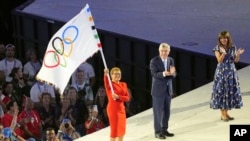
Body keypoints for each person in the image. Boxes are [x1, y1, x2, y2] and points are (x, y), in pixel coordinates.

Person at [210, 31, 244, 121]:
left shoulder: (233, 47)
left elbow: (235, 61)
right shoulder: (217, 48)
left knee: (229, 92)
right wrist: (224, 53)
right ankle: (222, 114)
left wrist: (238, 55)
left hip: (231, 72)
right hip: (222, 72)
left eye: (225, 38)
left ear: (228, 39)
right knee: (222, 92)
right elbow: (219, 61)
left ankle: (226, 113)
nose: (223, 40)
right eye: (221, 38)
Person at [149, 43, 176, 139]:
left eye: (166, 51)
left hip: (168, 90)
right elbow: (154, 74)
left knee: (167, 111)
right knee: (158, 112)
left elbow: (174, 74)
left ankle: (164, 129)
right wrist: (164, 73)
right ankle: (157, 131)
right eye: (162, 51)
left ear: (169, 51)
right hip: (158, 91)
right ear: (159, 51)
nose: (164, 53)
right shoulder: (154, 61)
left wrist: (173, 74)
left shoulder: (171, 60)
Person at [103, 67, 130, 141]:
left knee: (121, 131)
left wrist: (118, 96)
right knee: (114, 131)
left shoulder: (124, 84)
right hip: (113, 110)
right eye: (115, 74)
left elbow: (127, 98)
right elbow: (106, 81)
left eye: (119, 74)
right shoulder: (110, 85)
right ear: (111, 75)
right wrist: (105, 74)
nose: (117, 75)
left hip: (121, 109)